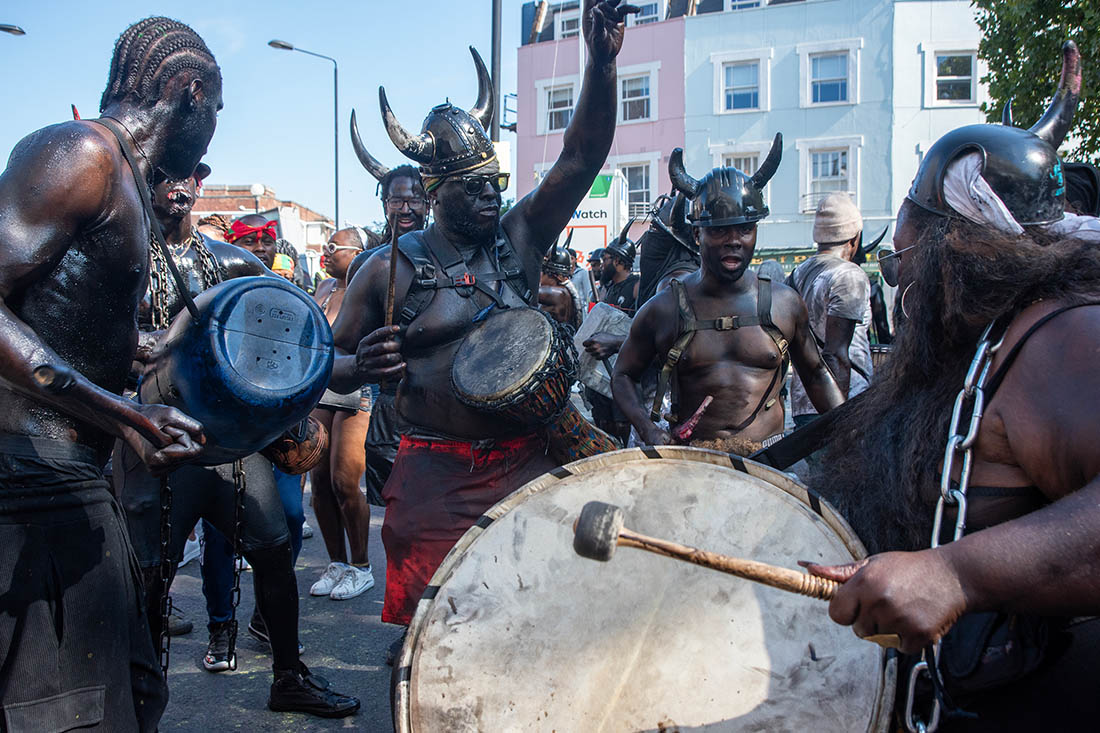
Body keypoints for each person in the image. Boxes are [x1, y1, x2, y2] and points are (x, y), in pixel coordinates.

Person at [804, 41, 1100, 731]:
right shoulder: (966, 341)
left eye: (906, 258)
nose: (897, 278)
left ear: (962, 246)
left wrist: (956, 573)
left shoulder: (1061, 339)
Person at [329, 0, 639, 632]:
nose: (492, 194)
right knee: (437, 633)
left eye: (495, 181)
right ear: (435, 192)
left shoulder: (517, 237)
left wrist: (601, 63)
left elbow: (580, 158)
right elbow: (324, 368)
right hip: (434, 473)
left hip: (528, 457)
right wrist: (358, 365)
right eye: (473, 187)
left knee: (536, 622)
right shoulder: (387, 269)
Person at [0, 17, 220, 729]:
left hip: (71, 479)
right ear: (190, 92)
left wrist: (145, 347)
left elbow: (60, 316)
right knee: (68, 715)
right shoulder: (81, 152)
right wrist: (125, 414)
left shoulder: (125, 175)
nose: (214, 127)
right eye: (217, 108)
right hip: (28, 484)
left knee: (133, 696)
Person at [114, 169, 358, 716]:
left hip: (230, 446)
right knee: (148, 572)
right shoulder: (116, 262)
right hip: (151, 441)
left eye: (190, 174)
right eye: (164, 173)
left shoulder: (226, 261)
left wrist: (346, 370)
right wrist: (133, 347)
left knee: (276, 549)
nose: (180, 183)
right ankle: (138, 697)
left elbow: (297, 337)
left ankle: (289, 675)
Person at [612, 144, 845, 454]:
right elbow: (624, 374)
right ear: (697, 235)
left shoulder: (785, 304)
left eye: (745, 229)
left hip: (771, 465)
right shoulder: (664, 309)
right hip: (694, 464)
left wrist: (849, 433)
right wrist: (648, 429)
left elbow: (816, 373)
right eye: (720, 231)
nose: (734, 241)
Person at [345, 146, 431, 509]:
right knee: (397, 513)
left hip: (442, 401)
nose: (406, 208)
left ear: (428, 203)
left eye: (415, 200)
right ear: (384, 205)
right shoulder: (370, 264)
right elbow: (346, 345)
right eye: (397, 201)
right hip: (389, 401)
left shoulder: (446, 252)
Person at [308, 228, 376, 601]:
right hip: (321, 385)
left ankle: (361, 566)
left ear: (357, 252)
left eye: (334, 247)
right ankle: (336, 562)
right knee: (318, 481)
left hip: (355, 387)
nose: (327, 252)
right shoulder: (322, 288)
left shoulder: (367, 287)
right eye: (326, 246)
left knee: (344, 481)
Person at [787, 193, 875, 432]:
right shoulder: (849, 275)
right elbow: (835, 354)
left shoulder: (796, 275)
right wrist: (839, 422)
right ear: (854, 239)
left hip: (804, 405)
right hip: (846, 406)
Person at [539, 242, 585, 330]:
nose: (539, 277)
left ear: (556, 276)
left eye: (542, 272)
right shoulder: (563, 291)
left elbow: (530, 291)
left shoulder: (557, 293)